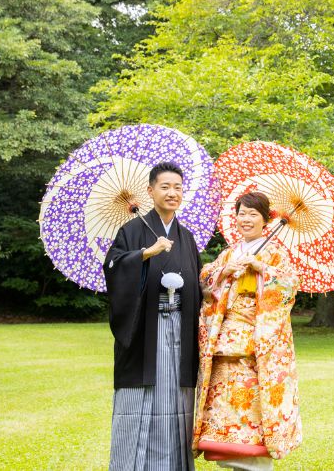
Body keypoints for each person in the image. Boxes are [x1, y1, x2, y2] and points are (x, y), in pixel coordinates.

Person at [103, 162, 202, 471]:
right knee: (142, 399)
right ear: (150, 191)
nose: (172, 193)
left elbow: (198, 284)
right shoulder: (132, 231)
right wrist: (145, 253)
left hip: (180, 331)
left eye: (178, 188)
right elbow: (113, 268)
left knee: (177, 401)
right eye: (165, 187)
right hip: (146, 331)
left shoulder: (187, 238)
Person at [193, 192, 302, 471]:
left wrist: (262, 268)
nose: (246, 219)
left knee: (254, 416)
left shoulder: (276, 254)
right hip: (224, 342)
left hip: (256, 344)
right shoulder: (229, 252)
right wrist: (224, 271)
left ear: (266, 220)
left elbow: (289, 287)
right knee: (225, 418)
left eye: (253, 214)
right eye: (242, 213)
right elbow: (205, 280)